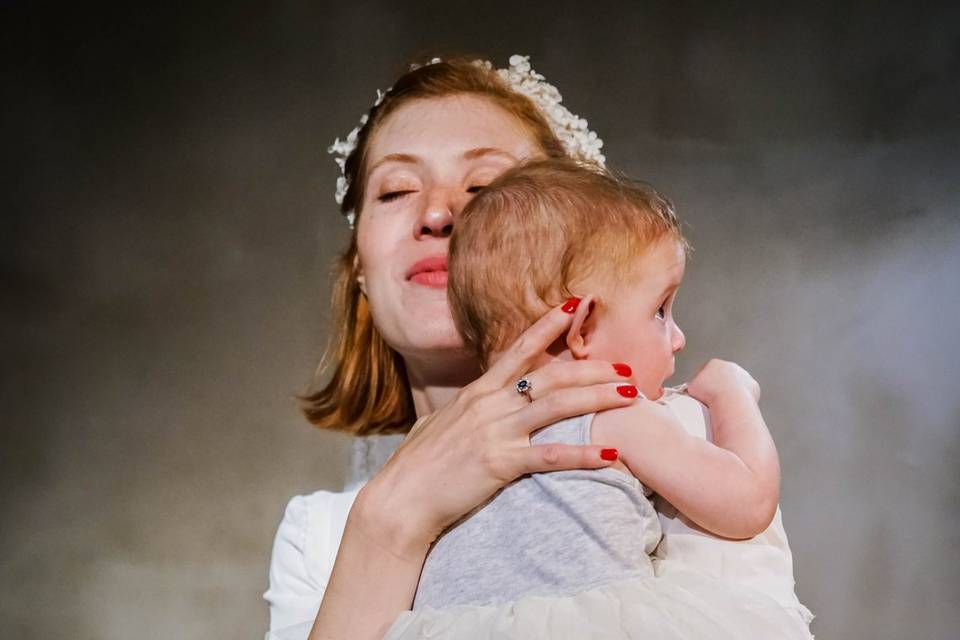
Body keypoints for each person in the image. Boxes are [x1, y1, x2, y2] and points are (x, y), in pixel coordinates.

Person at [264, 56, 811, 640]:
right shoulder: (318, 532)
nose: (437, 214)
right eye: (396, 190)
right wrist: (384, 525)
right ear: (359, 271)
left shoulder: (680, 430)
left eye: (485, 188)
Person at [382, 158, 812, 639]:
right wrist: (732, 390)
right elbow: (746, 502)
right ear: (582, 327)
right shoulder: (609, 408)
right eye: (660, 311)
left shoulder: (459, 443)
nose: (678, 337)